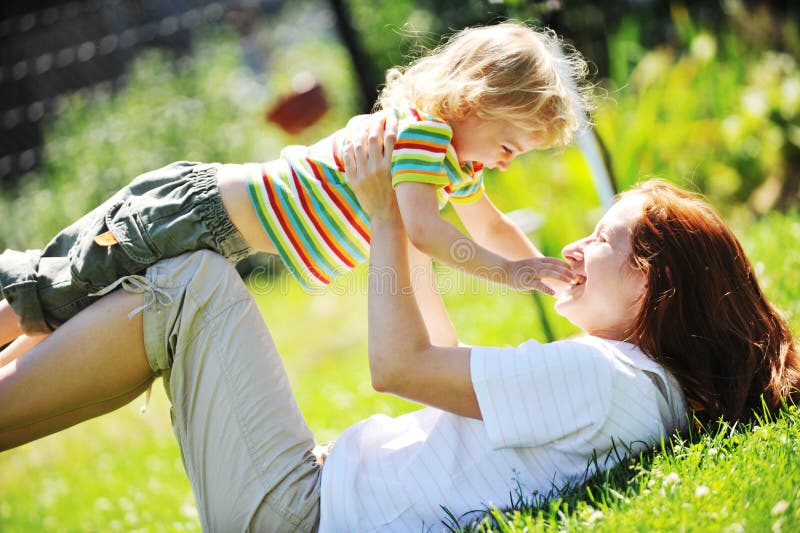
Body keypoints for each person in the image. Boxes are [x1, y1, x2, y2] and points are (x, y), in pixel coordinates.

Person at [1, 117, 797, 531]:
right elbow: (443, 366)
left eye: (602, 238)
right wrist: (415, 211)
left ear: (651, 278)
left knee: (187, 282)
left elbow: (401, 366)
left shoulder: (609, 379)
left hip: (300, 515)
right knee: (178, 285)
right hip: (311, 491)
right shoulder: (626, 387)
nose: (573, 246)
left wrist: (386, 217)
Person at [0, 20, 591, 355]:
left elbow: (487, 223)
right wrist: (506, 274)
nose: (508, 165)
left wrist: (543, 275)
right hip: (189, 215)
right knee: (39, 300)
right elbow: (422, 233)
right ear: (476, 101)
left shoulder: (454, 163)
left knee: (61, 320)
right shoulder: (422, 135)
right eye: (510, 146)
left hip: (209, 233)